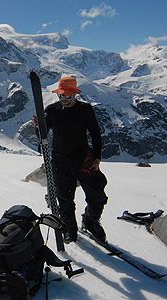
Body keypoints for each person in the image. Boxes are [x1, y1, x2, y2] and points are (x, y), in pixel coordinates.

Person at [33, 76, 108, 244]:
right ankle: (69, 229)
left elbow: (95, 134)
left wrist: (97, 158)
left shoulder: (85, 109)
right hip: (60, 160)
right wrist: (38, 128)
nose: (64, 99)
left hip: (83, 157)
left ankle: (91, 220)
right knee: (65, 198)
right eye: (61, 95)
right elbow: (42, 138)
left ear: (75, 94)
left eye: (68, 96)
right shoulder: (52, 110)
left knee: (97, 192)